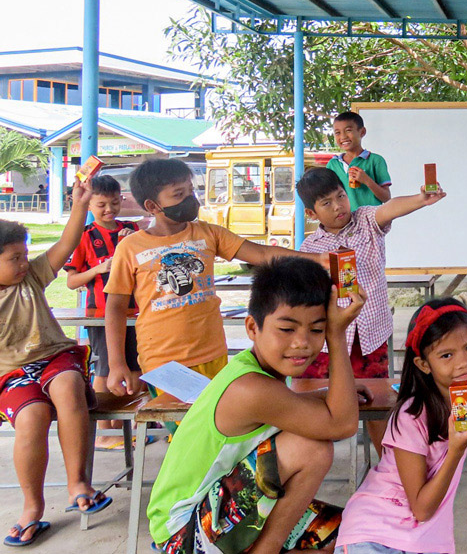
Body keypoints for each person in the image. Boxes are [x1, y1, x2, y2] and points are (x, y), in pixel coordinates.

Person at [147, 257, 364, 554]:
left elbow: (292, 406)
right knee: (312, 447)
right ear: (252, 327)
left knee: (355, 534)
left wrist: (332, 394)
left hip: (216, 507)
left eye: (317, 330)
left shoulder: (257, 371)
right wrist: (336, 336)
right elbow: (342, 424)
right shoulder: (251, 388)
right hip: (183, 533)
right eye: (286, 329)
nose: (302, 342)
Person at [103, 158, 330, 399]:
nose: (190, 199)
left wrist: (318, 259)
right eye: (179, 194)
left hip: (213, 354)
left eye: (190, 190)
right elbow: (115, 307)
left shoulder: (208, 233)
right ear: (152, 205)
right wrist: (116, 364)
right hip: (163, 363)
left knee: (216, 417)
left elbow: (262, 254)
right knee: (180, 422)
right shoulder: (130, 247)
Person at [333, 299, 467, 554]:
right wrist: (455, 451)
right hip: (374, 533)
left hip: (425, 539)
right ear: (424, 364)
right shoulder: (411, 416)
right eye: (447, 355)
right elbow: (422, 509)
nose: (463, 362)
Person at [297, 166, 446, 454]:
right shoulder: (309, 247)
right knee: (317, 404)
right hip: (328, 343)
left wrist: (421, 199)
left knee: (377, 403)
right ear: (312, 213)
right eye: (327, 203)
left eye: (340, 196)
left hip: (369, 337)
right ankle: (310, 462)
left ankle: (388, 464)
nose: (338, 206)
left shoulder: (365, 220)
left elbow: (390, 208)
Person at [0, 180, 112, 548]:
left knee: (67, 386)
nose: (23, 263)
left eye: (24, 254)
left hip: (55, 357)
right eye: (14, 258)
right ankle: (32, 507)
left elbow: (65, 244)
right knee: (31, 418)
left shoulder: (31, 277)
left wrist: (79, 205)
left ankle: (78, 483)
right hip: (13, 374)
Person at [64, 174, 140, 451]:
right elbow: (71, 282)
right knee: (106, 368)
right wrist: (98, 269)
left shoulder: (132, 230)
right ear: (89, 205)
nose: (109, 209)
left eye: (115, 203)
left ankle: (123, 426)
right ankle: (103, 431)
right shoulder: (84, 236)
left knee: (135, 366)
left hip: (134, 312)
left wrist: (135, 243)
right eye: (101, 205)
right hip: (99, 314)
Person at [326, 110, 392, 210]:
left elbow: (386, 198)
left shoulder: (375, 160)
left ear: (362, 132)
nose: (343, 137)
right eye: (337, 133)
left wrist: (367, 180)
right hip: (345, 218)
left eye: (348, 130)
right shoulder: (333, 164)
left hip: (372, 217)